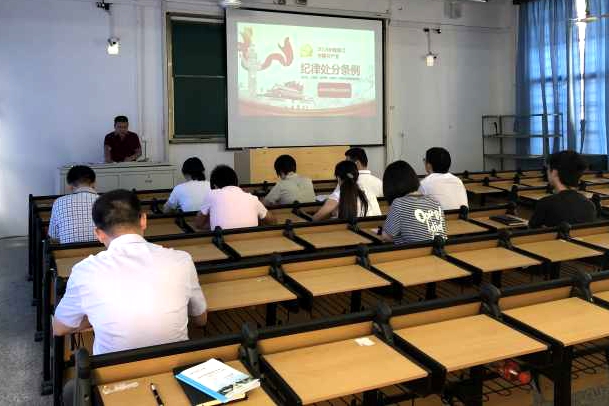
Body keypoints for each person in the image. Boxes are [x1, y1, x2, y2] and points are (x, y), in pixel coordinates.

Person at [54, 190, 207, 405]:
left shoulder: (85, 270)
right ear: (143, 220)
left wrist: (96, 317)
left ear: (99, 233)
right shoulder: (182, 259)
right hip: (175, 368)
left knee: (70, 390)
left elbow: (59, 328)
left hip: (113, 375)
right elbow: (201, 319)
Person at [381, 160, 447, 245]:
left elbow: (386, 236)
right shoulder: (435, 201)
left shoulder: (399, 204)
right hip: (439, 250)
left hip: (415, 251)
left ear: (390, 186)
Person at [194, 165, 275, 230]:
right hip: (251, 242)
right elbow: (272, 221)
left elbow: (198, 224)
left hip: (222, 243)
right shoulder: (252, 198)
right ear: (237, 183)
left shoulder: (212, 194)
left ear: (215, 186)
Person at [529, 150, 596, 228]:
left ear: (554, 172)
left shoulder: (546, 203)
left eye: (548, 169)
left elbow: (531, 231)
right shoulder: (589, 205)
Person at [312, 160, 381, 221]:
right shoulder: (368, 192)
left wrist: (331, 213)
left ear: (338, 178)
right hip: (374, 229)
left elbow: (315, 219)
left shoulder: (337, 195)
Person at [48, 165, 98, 244]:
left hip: (68, 250)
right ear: (94, 183)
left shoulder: (59, 202)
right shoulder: (106, 201)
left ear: (70, 186)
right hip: (101, 249)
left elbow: (54, 236)